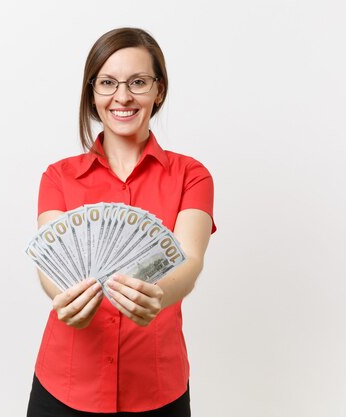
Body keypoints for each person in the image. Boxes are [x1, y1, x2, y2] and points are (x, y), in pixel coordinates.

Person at [26, 27, 216, 417]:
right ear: (92, 93)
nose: (123, 96)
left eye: (138, 82)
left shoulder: (192, 175)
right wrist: (61, 296)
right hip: (65, 383)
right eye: (108, 83)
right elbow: (51, 264)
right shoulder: (58, 177)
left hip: (156, 386)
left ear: (158, 90)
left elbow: (191, 261)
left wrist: (158, 295)